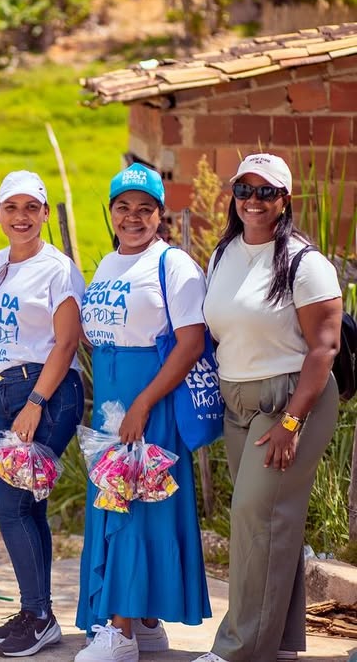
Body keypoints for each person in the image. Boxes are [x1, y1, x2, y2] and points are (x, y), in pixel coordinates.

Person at [196, 154, 343, 662]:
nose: (252, 201)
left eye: (266, 192)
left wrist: (292, 422)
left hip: (289, 402)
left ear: (285, 199)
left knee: (255, 517)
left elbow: (324, 348)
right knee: (270, 522)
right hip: (239, 403)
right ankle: (279, 642)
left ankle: (238, 650)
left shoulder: (305, 263)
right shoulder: (224, 253)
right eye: (244, 189)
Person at [75, 163, 211, 662]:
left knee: (132, 508)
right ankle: (146, 625)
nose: (132, 217)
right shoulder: (109, 264)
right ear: (111, 212)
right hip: (113, 406)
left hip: (148, 405)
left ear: (160, 215)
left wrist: (144, 403)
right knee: (122, 505)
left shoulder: (173, 265)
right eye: (123, 207)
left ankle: (121, 633)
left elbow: (190, 343)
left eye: (144, 209)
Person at [0, 171, 85, 657]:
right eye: (11, 207)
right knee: (28, 506)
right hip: (3, 392)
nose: (21, 217)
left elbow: (66, 343)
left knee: (9, 505)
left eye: (31, 208)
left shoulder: (57, 269)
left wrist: (35, 405)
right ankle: (34, 611)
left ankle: (39, 617)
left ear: (44, 213)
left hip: (45, 394)